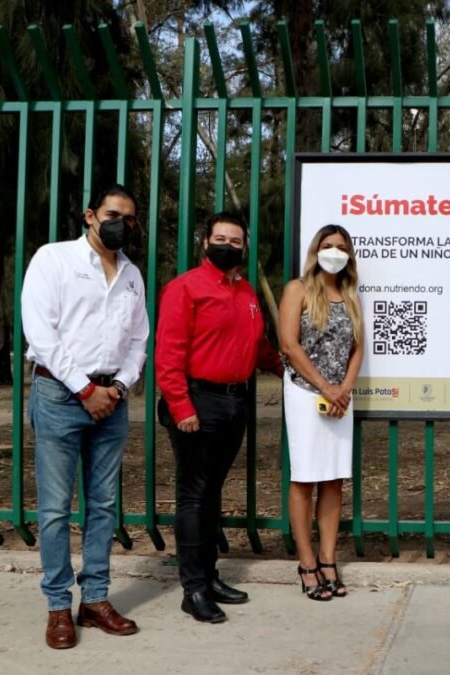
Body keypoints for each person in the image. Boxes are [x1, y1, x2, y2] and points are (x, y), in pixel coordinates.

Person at [22, 184, 148, 649]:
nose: (122, 223)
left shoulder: (132, 275)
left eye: (130, 218)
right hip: (60, 395)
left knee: (103, 507)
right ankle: (58, 606)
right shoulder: (53, 260)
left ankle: (94, 600)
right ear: (90, 215)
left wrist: (116, 388)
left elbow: (138, 342)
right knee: (55, 510)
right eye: (114, 214)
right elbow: (40, 332)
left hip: (110, 401)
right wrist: (84, 389)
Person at [155, 211, 283, 623]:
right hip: (197, 400)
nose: (227, 245)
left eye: (235, 240)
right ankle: (192, 589)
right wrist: (181, 407)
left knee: (211, 495)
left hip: (235, 403)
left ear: (244, 247)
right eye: (220, 238)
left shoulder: (246, 291)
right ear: (205, 242)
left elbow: (259, 345)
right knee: (194, 496)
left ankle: (209, 577)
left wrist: (286, 367)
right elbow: (168, 354)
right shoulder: (185, 288)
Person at [279, 224, 364, 601]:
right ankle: (307, 562)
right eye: (328, 245)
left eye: (341, 247)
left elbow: (358, 347)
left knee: (333, 479)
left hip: (341, 398)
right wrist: (325, 387)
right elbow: (289, 345)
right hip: (304, 393)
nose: (334, 251)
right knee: (305, 477)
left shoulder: (349, 295)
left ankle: (329, 559)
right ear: (316, 250)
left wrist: (344, 389)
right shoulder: (297, 290)